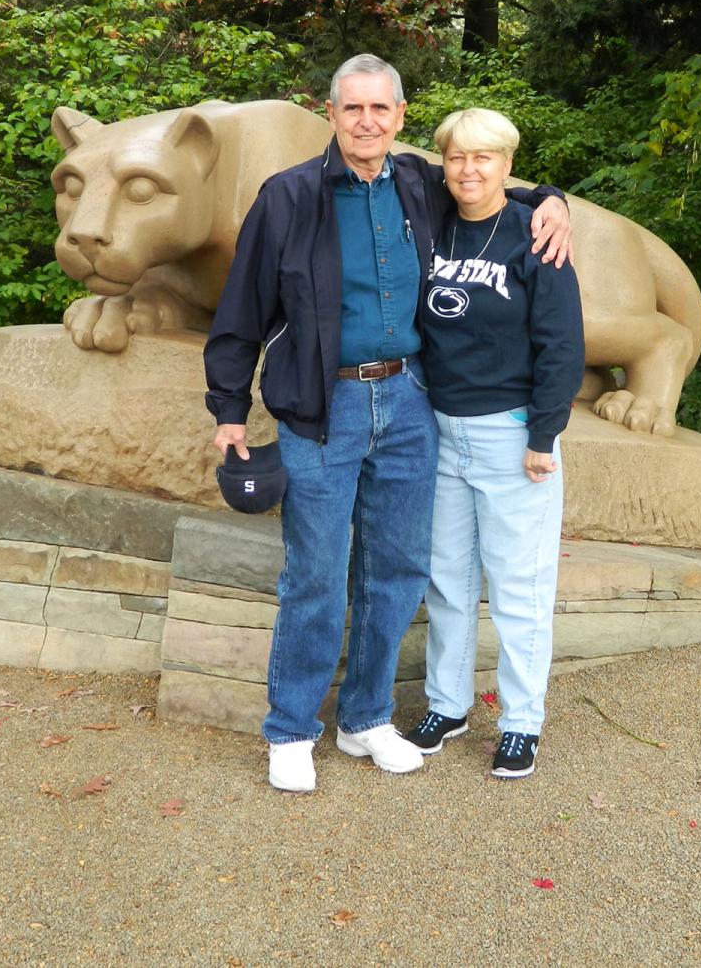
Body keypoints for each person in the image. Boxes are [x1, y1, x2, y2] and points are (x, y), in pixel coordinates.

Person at [203, 55, 573, 793]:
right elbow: (240, 309)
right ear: (332, 115)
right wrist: (227, 408)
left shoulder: (416, 181)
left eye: (381, 109)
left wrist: (552, 199)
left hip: (408, 402)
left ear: (401, 116)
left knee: (397, 569)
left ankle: (367, 717)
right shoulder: (289, 197)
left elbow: (486, 180)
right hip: (321, 406)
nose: (367, 122)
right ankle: (292, 728)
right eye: (352, 109)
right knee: (315, 571)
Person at [403, 108, 585, 780]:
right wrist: (553, 193)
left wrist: (545, 433)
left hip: (513, 436)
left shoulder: (534, 237)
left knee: (519, 585)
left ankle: (520, 720)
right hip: (441, 431)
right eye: (457, 157)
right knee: (447, 579)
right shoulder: (432, 220)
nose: (469, 169)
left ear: (509, 166)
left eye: (485, 158)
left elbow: (563, 343)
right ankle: (447, 704)